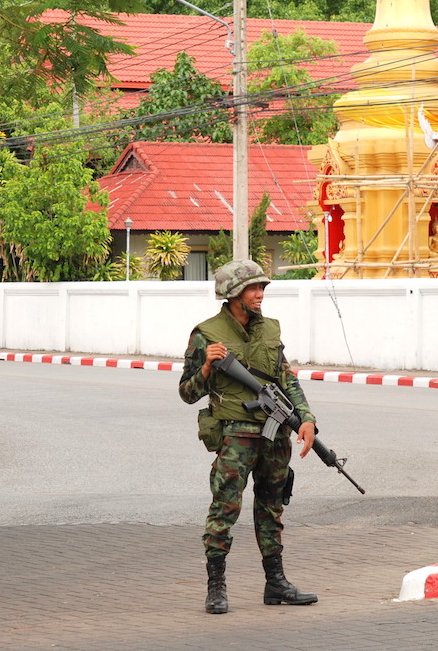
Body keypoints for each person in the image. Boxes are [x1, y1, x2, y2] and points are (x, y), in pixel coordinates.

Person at [179, 259, 319, 615]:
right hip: (235, 436)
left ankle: (276, 583)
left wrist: (306, 418)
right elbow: (187, 392)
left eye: (262, 288)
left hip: (274, 437)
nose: (260, 295)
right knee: (224, 509)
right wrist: (208, 367)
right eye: (253, 289)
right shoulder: (206, 333)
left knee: (271, 509)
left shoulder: (270, 329)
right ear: (232, 294)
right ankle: (216, 587)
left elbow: (287, 379)